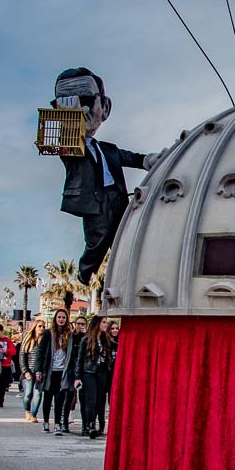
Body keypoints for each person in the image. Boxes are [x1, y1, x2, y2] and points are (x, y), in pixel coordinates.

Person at [51, 68, 166, 286]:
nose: (81, 108)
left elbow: (130, 157)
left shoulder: (107, 148)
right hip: (94, 201)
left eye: (85, 100)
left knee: (124, 236)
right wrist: (70, 120)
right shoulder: (72, 149)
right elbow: (67, 146)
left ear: (105, 107)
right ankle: (85, 273)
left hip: (116, 197)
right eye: (68, 102)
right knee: (97, 239)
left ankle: (125, 275)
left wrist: (148, 160)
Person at [34, 309, 77, 435]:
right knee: (47, 397)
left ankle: (57, 424)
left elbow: (73, 355)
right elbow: (40, 353)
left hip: (62, 372)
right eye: (59, 317)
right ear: (55, 319)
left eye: (63, 317)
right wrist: (38, 370)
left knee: (59, 398)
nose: (61, 320)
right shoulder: (48, 334)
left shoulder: (69, 335)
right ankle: (46, 422)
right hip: (49, 371)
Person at [72, 316, 110, 439]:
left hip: (102, 372)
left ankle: (95, 425)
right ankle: (90, 425)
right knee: (91, 400)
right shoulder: (86, 340)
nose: (106, 324)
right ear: (97, 323)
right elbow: (80, 359)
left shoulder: (106, 339)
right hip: (89, 372)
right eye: (103, 322)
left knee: (100, 400)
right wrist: (77, 377)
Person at [20, 320, 45, 423]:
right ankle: (27, 410)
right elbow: (22, 357)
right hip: (28, 372)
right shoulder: (27, 340)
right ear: (35, 327)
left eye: (43, 326)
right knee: (28, 394)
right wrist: (25, 371)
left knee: (38, 394)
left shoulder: (45, 341)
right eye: (39, 326)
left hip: (40, 372)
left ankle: (34, 414)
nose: (42, 328)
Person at [0, 325, 17, 408]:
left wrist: (6, 350)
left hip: (5, 365)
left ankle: (0, 401)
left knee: (3, 385)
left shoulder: (7, 341)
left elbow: (14, 351)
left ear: (2, 331)